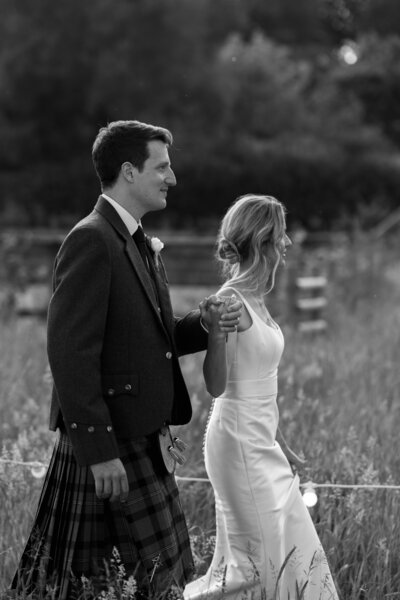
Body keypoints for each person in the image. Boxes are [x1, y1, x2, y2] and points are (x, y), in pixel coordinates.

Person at [10, 120, 242, 599]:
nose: (172, 178)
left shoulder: (137, 241)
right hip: (111, 444)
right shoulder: (92, 239)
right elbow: (70, 353)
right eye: (162, 166)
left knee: (154, 582)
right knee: (82, 587)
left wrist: (207, 320)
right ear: (129, 172)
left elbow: (154, 338)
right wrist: (99, 453)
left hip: (141, 436)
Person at [184, 195, 339, 600]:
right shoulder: (229, 300)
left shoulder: (257, 298)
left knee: (295, 550)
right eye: (281, 235)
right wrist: (215, 335)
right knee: (253, 565)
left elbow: (262, 381)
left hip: (263, 438)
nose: (287, 244)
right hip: (238, 443)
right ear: (262, 240)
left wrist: (280, 439)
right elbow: (217, 386)